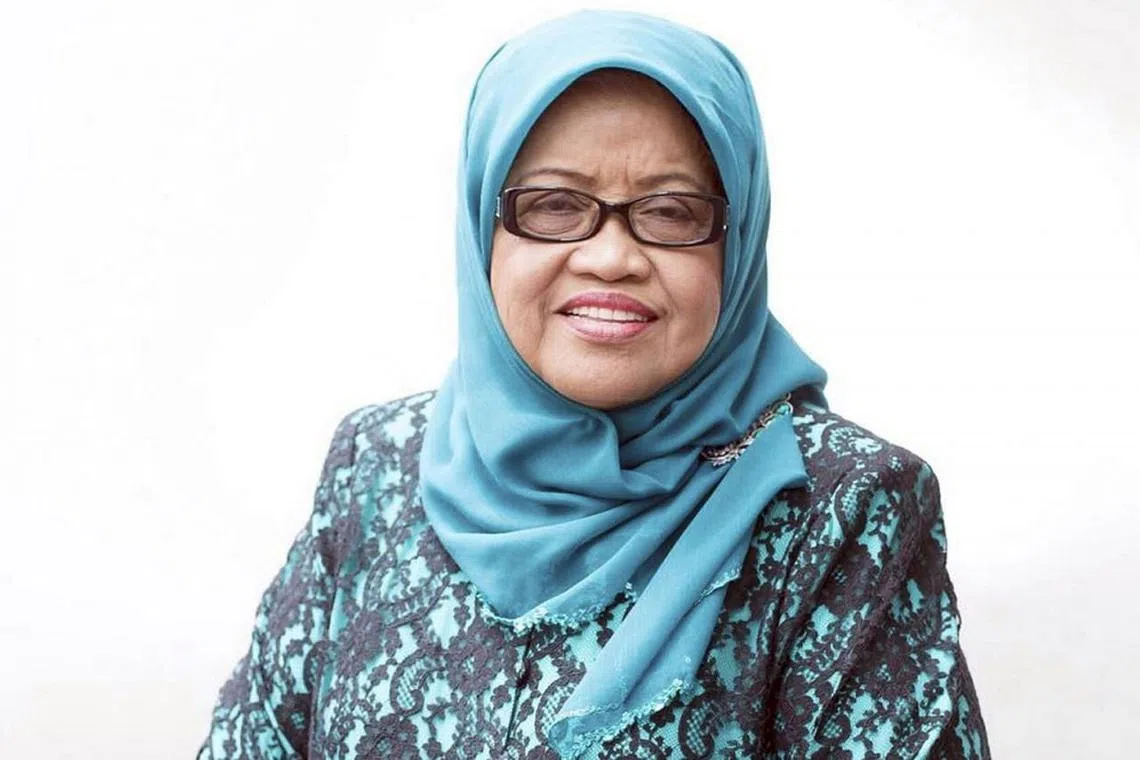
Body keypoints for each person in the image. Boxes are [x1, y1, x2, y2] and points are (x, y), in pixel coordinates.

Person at [198, 10, 990, 759]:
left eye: (671, 212)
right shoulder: (377, 464)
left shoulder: (843, 507)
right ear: (483, 226)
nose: (611, 257)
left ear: (738, 238)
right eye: (554, 205)